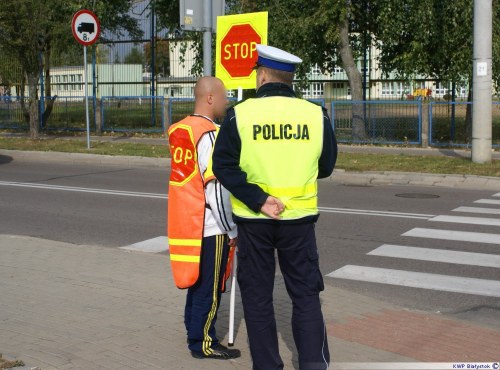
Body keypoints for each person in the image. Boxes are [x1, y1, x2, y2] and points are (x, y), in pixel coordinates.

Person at [212, 45, 337, 370]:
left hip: (254, 221)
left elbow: (223, 165)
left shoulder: (241, 114)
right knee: (306, 296)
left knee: (257, 299)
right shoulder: (315, 114)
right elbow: (326, 166)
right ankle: (313, 364)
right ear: (290, 79)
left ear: (262, 75)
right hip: (299, 221)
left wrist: (258, 198)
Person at [167, 76, 241, 360]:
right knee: (210, 289)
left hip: (188, 220)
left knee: (197, 283)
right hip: (211, 224)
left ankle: (192, 330)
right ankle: (203, 343)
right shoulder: (210, 134)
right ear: (210, 98)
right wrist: (231, 228)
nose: (226, 102)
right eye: (223, 97)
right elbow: (216, 188)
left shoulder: (182, 129)